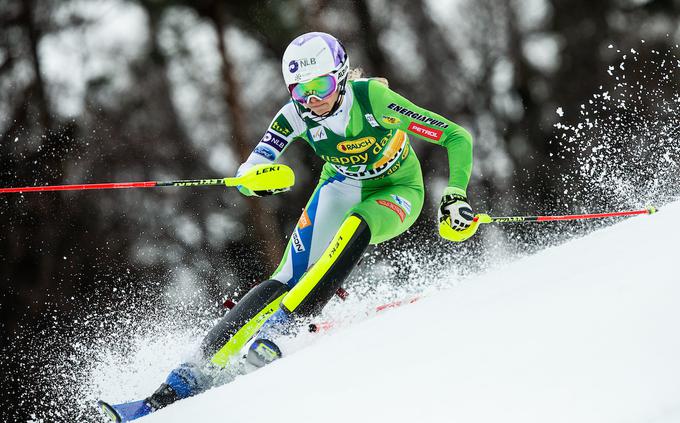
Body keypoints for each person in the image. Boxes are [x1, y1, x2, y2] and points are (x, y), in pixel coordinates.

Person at [125, 31, 476, 417]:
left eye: (321, 87)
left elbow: (456, 138)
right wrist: (254, 180)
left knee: (357, 224)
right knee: (287, 276)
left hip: (398, 189)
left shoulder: (373, 101)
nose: (312, 101)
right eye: (300, 91)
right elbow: (255, 163)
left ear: (341, 77)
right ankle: (180, 380)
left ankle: (281, 331)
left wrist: (455, 194)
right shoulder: (295, 114)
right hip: (341, 185)